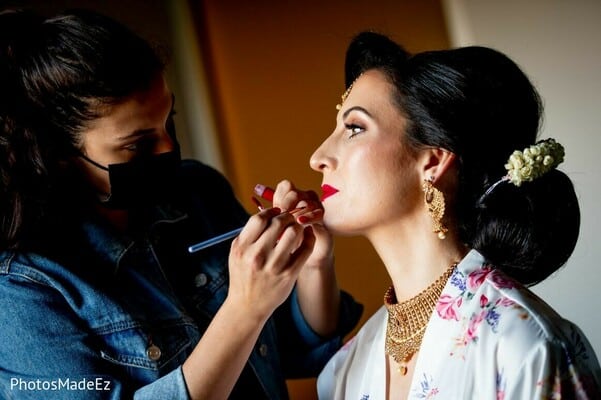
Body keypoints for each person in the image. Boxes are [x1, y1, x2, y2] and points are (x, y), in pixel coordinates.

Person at [0, 8, 362, 399]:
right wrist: (244, 309)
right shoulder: (20, 290)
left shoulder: (199, 191)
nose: (169, 148)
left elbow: (297, 351)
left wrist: (312, 264)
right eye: (137, 144)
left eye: (169, 122)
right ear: (57, 153)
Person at [311, 31, 601, 399]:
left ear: (432, 161)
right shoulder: (343, 373)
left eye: (354, 128)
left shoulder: (525, 347)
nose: (318, 156)